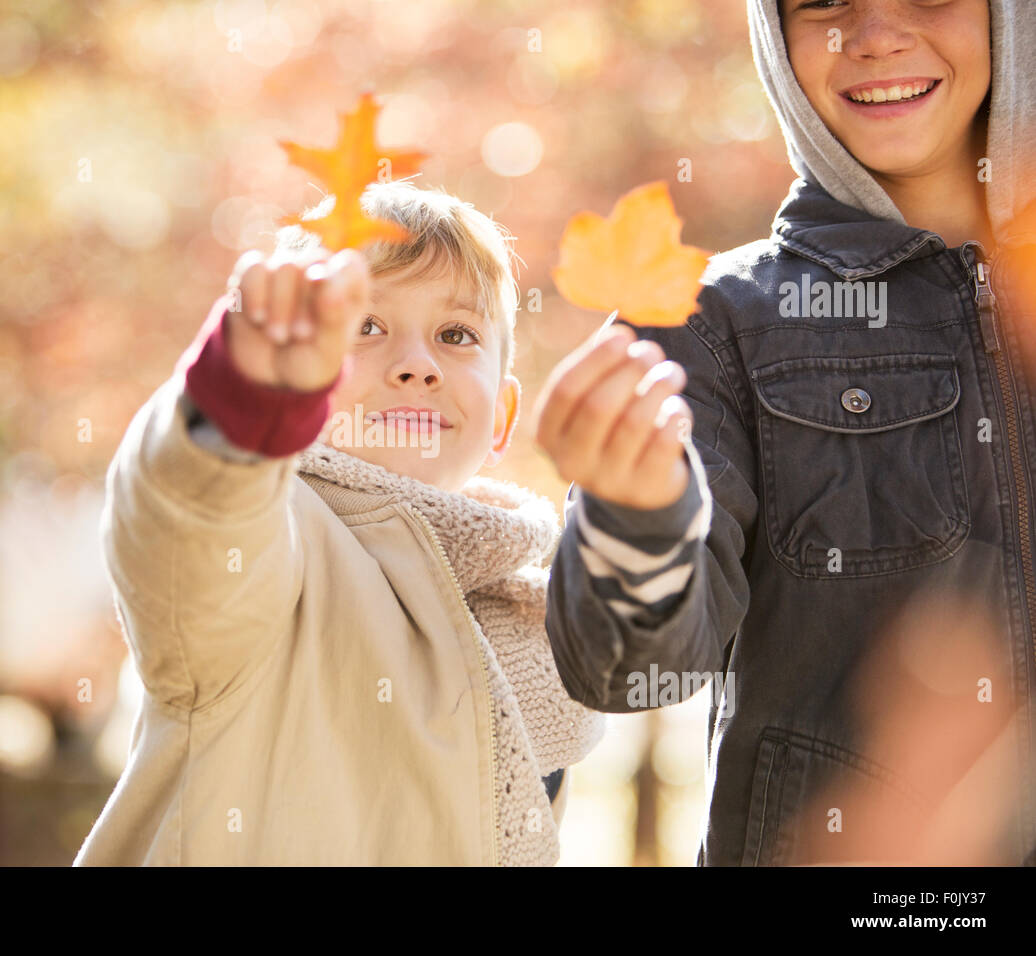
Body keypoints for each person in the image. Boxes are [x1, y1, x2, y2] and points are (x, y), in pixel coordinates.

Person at [537, 0, 1036, 865]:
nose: (874, 34)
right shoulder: (705, 323)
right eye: (824, 3)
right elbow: (625, 671)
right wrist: (638, 514)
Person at [74, 180, 605, 866]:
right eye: (366, 328)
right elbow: (189, 520)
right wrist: (239, 401)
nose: (417, 365)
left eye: (455, 334)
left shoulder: (528, 617)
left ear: (502, 417)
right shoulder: (275, 542)